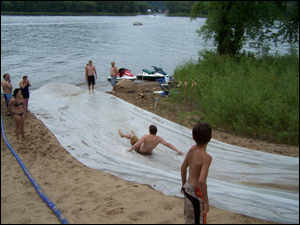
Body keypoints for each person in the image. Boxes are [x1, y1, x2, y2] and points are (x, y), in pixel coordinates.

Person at [180, 122, 213, 224]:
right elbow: (202, 181)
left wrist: (183, 184)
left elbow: (183, 167)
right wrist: (206, 202)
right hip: (196, 194)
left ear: (193, 137)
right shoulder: (207, 158)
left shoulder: (192, 149)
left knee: (189, 218)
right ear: (211, 137)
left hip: (187, 188)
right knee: (198, 220)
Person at [118, 124, 183, 155]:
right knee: (139, 139)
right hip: (148, 152)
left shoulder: (145, 136)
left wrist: (130, 149)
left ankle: (122, 135)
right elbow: (168, 144)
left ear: (149, 131)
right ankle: (133, 136)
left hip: (140, 151)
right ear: (156, 132)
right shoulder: (159, 139)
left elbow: (137, 145)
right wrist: (178, 150)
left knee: (132, 135)